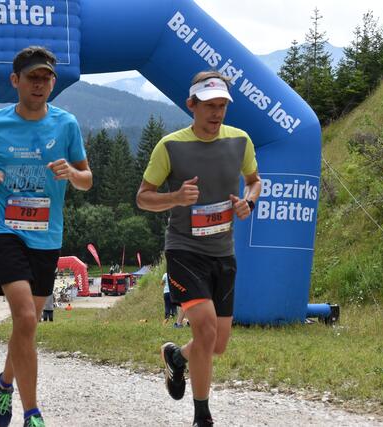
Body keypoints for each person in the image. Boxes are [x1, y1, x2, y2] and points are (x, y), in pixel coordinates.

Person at [0, 45, 92, 427]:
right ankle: (31, 412)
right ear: (15, 81)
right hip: (4, 229)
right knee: (25, 317)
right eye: (33, 77)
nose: (40, 84)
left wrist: (70, 171)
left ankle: (4, 384)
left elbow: (87, 180)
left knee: (27, 324)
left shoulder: (66, 124)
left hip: (46, 235)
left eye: (47, 78)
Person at [136, 70, 261, 427]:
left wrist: (248, 203)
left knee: (217, 344)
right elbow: (143, 198)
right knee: (204, 330)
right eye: (209, 106)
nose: (216, 113)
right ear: (192, 105)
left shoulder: (240, 141)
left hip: (223, 252)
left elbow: (254, 182)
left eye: (222, 106)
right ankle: (202, 416)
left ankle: (177, 358)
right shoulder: (170, 146)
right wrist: (175, 197)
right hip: (184, 250)